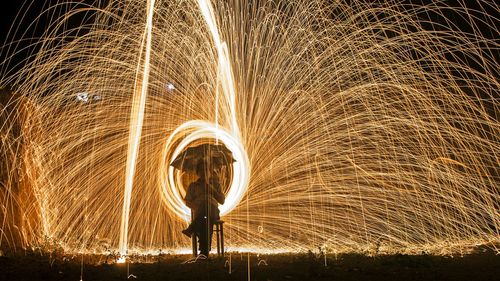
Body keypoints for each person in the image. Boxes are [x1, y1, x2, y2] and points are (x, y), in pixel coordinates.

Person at [183, 162, 225, 257]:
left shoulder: (216, 184)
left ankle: (192, 228)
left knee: (206, 208)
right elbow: (187, 202)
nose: (204, 172)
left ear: (210, 172)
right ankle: (204, 252)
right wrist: (198, 208)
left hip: (213, 211)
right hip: (202, 214)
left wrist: (212, 190)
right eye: (201, 170)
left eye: (206, 170)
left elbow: (222, 201)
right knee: (205, 218)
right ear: (197, 172)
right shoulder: (193, 186)